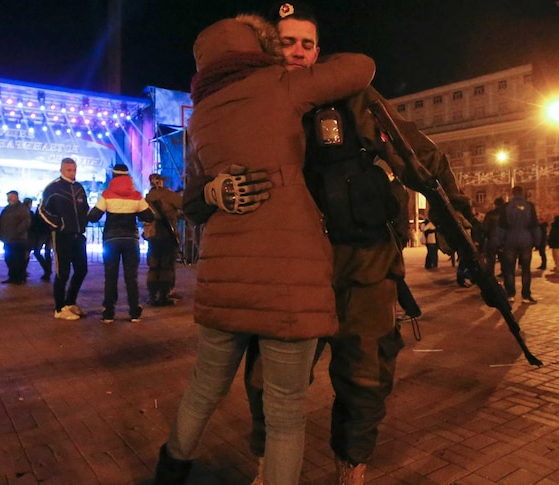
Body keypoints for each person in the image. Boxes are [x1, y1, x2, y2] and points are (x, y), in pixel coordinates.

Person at [178, 5, 472, 484]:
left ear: (319, 50)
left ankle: (351, 464)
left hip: (363, 263)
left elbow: (419, 157)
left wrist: (459, 217)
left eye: (307, 44)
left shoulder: (354, 97)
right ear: (267, 51)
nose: (297, 52)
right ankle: (266, 463)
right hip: (286, 276)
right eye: (286, 43)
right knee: (264, 384)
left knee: (367, 374)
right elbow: (194, 196)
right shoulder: (239, 103)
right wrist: (213, 193)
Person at [154, 11, 376, 485]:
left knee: (203, 388)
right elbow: (362, 67)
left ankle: (171, 469)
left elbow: (193, 201)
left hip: (223, 277)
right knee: (286, 413)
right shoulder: (279, 85)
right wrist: (303, 65)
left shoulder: (203, 117)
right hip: (288, 278)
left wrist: (214, 192)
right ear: (261, 50)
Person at [87, 164, 154, 324]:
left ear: (113, 175)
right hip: (131, 240)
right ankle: (134, 312)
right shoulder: (136, 195)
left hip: (111, 240)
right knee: (132, 277)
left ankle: (109, 313)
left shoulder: (107, 195)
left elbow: (93, 216)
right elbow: (149, 216)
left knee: (110, 277)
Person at [39, 157, 90, 320]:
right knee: (63, 272)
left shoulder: (79, 188)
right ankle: (59, 308)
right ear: (61, 169)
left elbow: (85, 208)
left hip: (78, 235)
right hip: (62, 236)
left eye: (74, 169)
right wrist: (58, 224)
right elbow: (42, 210)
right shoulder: (53, 188)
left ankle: (70, 303)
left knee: (82, 269)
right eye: (69, 169)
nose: (72, 172)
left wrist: (84, 222)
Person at [144, 173, 183, 306]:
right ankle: (164, 295)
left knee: (154, 266)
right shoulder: (168, 195)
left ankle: (152, 295)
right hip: (167, 235)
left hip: (153, 236)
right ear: (160, 182)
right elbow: (183, 204)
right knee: (167, 266)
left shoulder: (147, 198)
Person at [499, 186, 539, 303]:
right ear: (522, 193)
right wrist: (537, 241)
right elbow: (534, 225)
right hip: (526, 240)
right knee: (526, 269)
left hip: (509, 240)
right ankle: (526, 295)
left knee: (509, 269)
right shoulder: (530, 206)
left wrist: (499, 242)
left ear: (512, 193)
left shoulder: (506, 207)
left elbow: (501, 226)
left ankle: (510, 294)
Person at [0, 190, 31, 285]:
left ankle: (19, 277)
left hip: (18, 239)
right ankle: (13, 276)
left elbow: (26, 222)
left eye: (11, 197)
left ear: (16, 197)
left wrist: (18, 231)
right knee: (9, 258)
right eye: (9, 197)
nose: (9, 199)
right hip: (8, 238)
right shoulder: (7, 209)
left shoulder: (22, 209)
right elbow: (0, 221)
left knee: (18, 259)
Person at [26, 197, 53, 282]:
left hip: (41, 233)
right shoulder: (52, 209)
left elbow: (36, 222)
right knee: (47, 252)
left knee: (38, 252)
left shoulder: (40, 210)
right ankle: (47, 271)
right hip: (49, 232)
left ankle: (47, 270)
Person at [482, 197, 506, 275]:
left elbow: (485, 228)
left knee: (491, 259)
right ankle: (504, 273)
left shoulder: (490, 214)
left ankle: (491, 275)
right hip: (503, 240)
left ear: (495, 204)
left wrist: (485, 236)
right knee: (503, 258)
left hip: (492, 240)